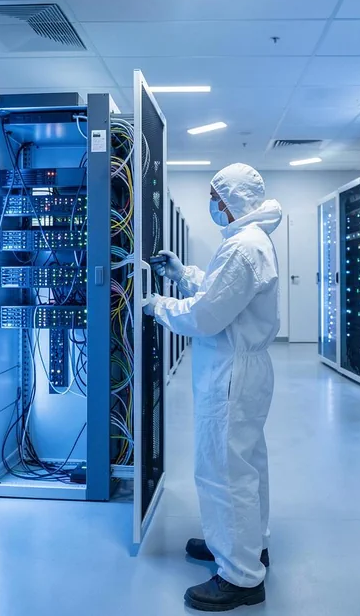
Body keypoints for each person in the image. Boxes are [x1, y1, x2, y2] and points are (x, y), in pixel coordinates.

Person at [143, 163, 282, 612]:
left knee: (224, 469)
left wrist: (156, 305)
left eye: (216, 199)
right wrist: (183, 274)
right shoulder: (248, 243)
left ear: (233, 201)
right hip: (242, 368)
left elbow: (204, 316)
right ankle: (247, 547)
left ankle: (240, 577)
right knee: (244, 463)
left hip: (230, 373)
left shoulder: (243, 248)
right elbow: (219, 295)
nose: (213, 207)